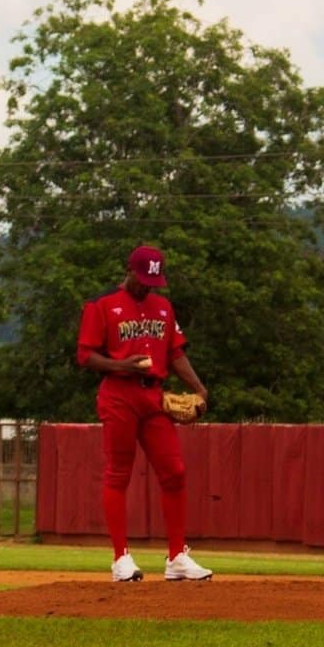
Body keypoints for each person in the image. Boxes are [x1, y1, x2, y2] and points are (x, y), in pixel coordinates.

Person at [75, 245, 212, 582]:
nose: (147, 286)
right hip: (118, 394)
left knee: (174, 472)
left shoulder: (163, 307)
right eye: (143, 278)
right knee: (119, 473)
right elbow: (85, 355)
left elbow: (175, 353)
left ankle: (177, 557)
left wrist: (198, 387)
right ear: (128, 269)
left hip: (153, 397)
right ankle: (121, 559)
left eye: (153, 280)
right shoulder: (101, 304)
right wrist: (120, 364)